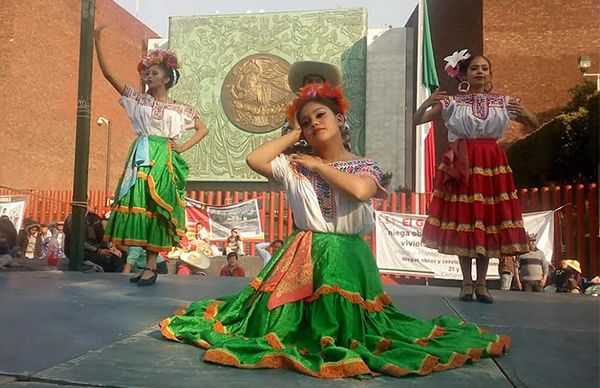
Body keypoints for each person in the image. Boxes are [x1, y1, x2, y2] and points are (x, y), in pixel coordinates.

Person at [160, 83, 510, 379]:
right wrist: (296, 135)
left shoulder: (364, 165)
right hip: (303, 251)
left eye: (320, 116)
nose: (314, 124)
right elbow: (255, 159)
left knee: (345, 327)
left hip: (346, 256)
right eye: (306, 122)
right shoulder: (293, 166)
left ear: (340, 119)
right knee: (280, 322)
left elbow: (359, 192)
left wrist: (318, 165)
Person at [415, 49, 538, 304]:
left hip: (491, 161)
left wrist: (525, 112)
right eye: (474, 68)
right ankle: (466, 282)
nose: (480, 72)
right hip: (463, 161)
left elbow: (534, 123)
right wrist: (428, 102)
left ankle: (482, 284)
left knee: (486, 220)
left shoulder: (503, 102)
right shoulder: (452, 103)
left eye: (484, 68)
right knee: (466, 218)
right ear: (465, 74)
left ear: (490, 73)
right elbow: (418, 120)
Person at [94, 26, 209, 286]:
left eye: (153, 72)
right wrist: (98, 44)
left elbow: (204, 129)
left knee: (158, 207)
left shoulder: (181, 109)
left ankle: (150, 266)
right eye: (146, 72)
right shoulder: (138, 99)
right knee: (143, 204)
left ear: (167, 78)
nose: (148, 76)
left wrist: (182, 147)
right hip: (142, 154)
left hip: (164, 156)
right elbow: (109, 75)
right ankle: (146, 267)